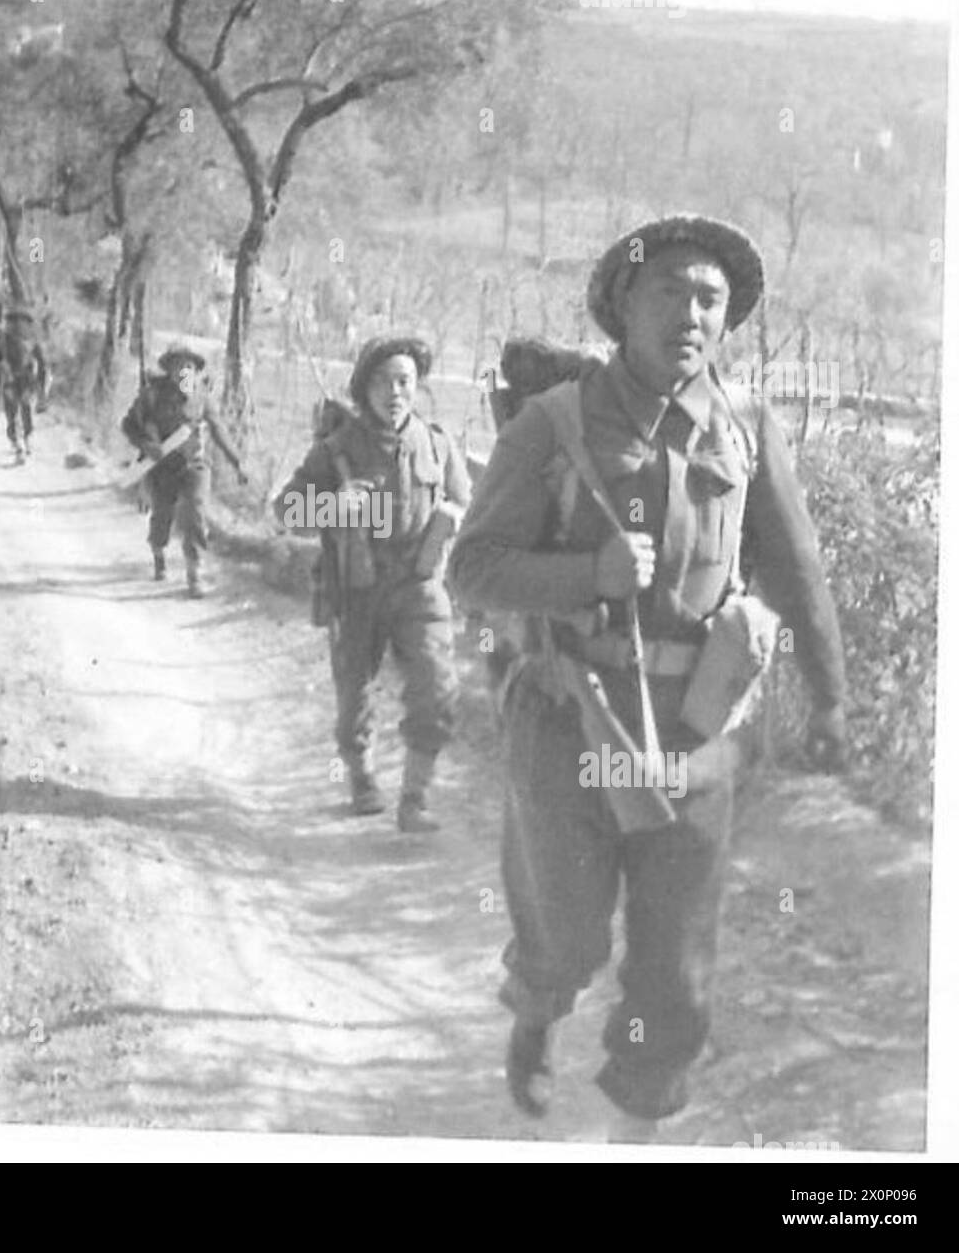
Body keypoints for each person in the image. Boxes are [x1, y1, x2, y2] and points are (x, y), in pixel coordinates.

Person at [448, 215, 847, 1140]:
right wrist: (584, 576)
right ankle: (538, 1012)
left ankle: (638, 1131)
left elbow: (796, 569)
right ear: (624, 303)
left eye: (711, 298)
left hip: (697, 735)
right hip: (568, 722)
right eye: (670, 290)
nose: (693, 312)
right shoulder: (554, 423)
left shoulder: (746, 428)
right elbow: (472, 567)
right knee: (567, 932)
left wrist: (829, 695)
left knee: (676, 969)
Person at [274, 337, 471, 832]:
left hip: (419, 582)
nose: (395, 391)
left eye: (405, 381)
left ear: (417, 387)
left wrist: (455, 518)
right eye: (383, 381)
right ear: (365, 388)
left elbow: (471, 508)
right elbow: (285, 510)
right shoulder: (338, 450)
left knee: (437, 687)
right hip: (358, 584)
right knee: (353, 692)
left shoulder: (438, 443)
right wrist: (332, 507)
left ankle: (416, 797)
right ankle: (361, 774)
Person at [121, 347, 248, 598]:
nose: (185, 372)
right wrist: (147, 446)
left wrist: (237, 462)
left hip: (195, 465)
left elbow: (218, 429)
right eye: (179, 367)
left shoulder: (201, 397)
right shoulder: (152, 396)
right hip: (162, 466)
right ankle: (158, 552)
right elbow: (128, 425)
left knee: (195, 513)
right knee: (162, 516)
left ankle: (194, 572)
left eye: (190, 367)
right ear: (169, 371)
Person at [0, 302, 48, 461]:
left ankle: (22, 440)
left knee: (18, 411)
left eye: (20, 322)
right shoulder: (7, 340)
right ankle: (21, 442)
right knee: (18, 410)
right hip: (17, 380)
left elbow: (43, 363)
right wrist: (0, 366)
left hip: (20, 380)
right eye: (14, 322)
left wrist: (42, 388)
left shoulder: (11, 340)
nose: (17, 326)